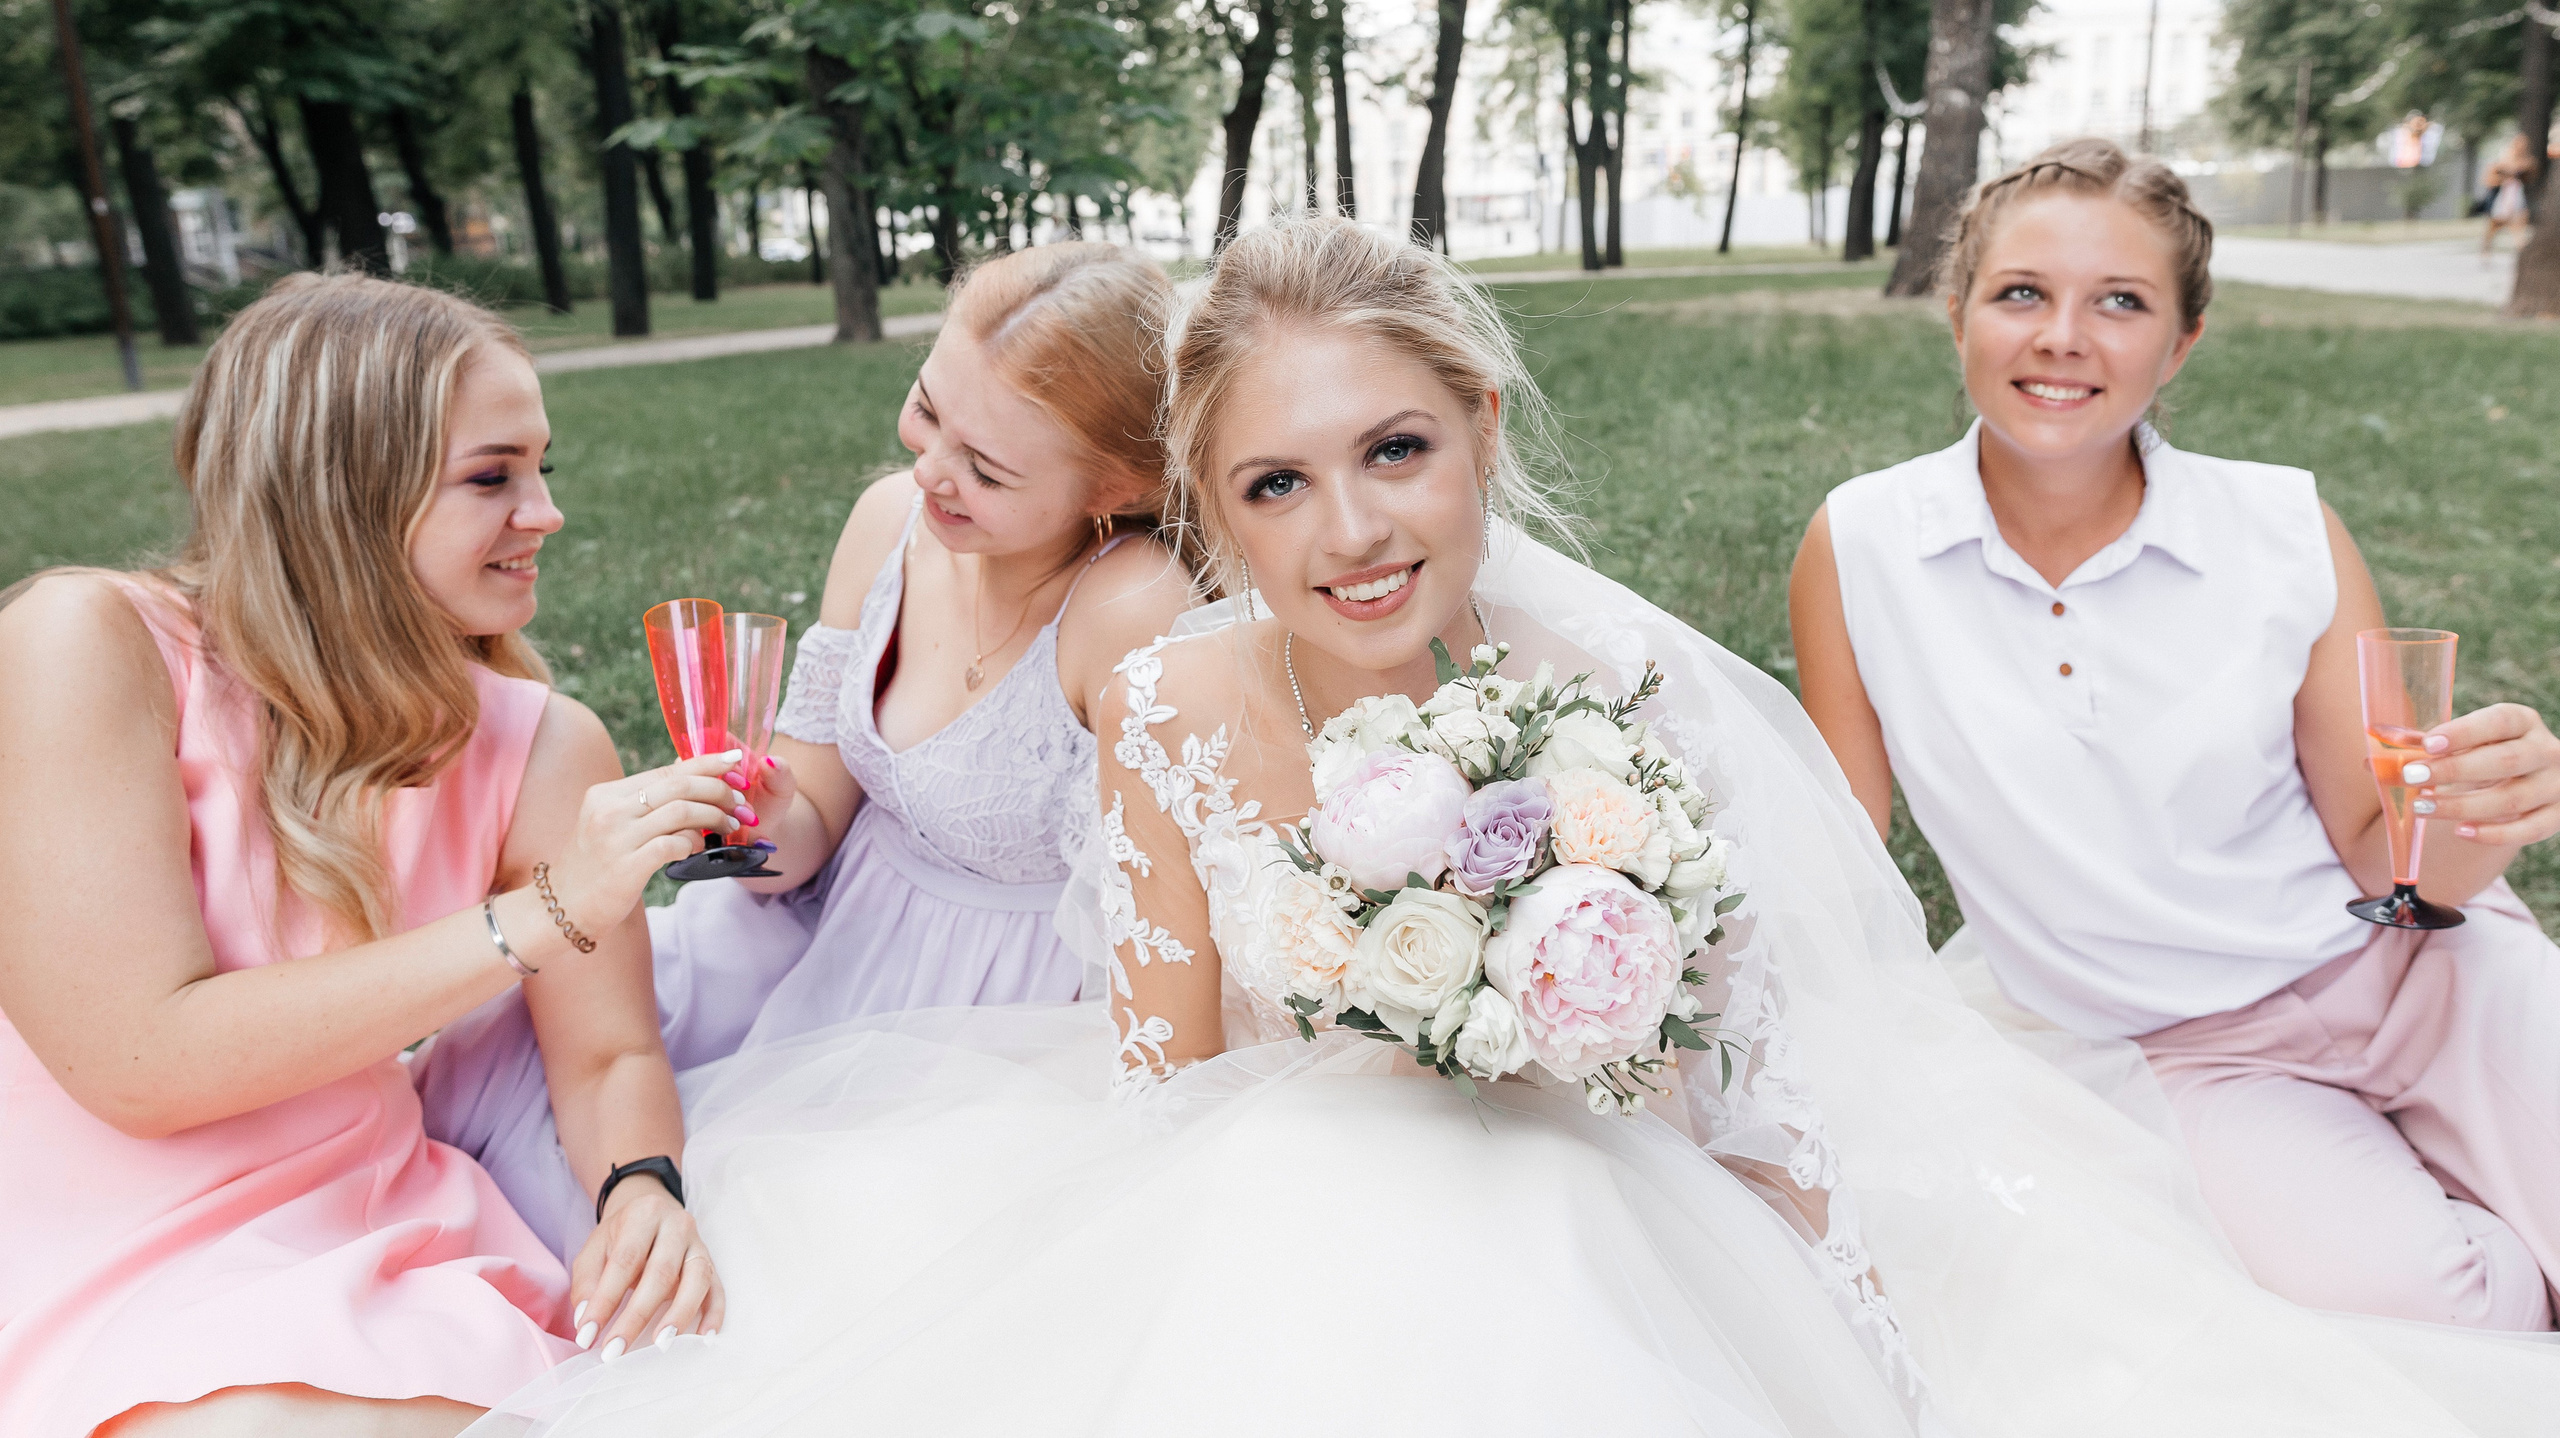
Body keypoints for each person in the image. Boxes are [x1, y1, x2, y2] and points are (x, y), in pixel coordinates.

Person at [466, 219, 2558, 1438]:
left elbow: (1743, 1071)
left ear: (1477, 423)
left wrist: (1751, 1233)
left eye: (1391, 449)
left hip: (1603, 1169)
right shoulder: (1175, 697)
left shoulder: (1606, 691)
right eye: (1270, 487)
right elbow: (1161, 1072)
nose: (1350, 530)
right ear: (1200, 505)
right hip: (1266, 1178)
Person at [1791, 139, 2560, 1336]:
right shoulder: (1861, 545)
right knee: (2432, 1316)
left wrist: (2477, 812)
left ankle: (2470, 1159)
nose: (2063, 337)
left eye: (2120, 303)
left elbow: (2383, 854)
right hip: (2196, 1055)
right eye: (2020, 294)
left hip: (2421, 974)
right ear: (1957, 313)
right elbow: (1835, 858)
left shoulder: (2283, 526)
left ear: (2180, 340)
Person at [0, 274, 734, 1438]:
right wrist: (533, 915)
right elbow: (133, 1063)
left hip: (357, 1217)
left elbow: (606, 1055)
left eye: (544, 468)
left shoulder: (539, 746)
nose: (544, 512)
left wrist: (641, 1183)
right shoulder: (87, 646)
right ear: (340, 496)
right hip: (87, 1227)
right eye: (492, 476)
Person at [415, 242, 1195, 1257]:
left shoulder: (1133, 610)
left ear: (1114, 483)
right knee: (504, 1068)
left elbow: (1165, 931)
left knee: (763, 1223)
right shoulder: (889, 521)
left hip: (999, 1015)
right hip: (827, 934)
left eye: (985, 466)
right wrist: (756, 819)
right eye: (927, 410)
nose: (929, 470)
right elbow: (814, 814)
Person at [2482, 133, 2534, 255]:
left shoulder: (2526, 161)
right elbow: (2490, 178)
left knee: (2518, 226)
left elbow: (2529, 170)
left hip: (2517, 196)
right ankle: (2486, 251)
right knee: (2493, 228)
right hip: (2502, 197)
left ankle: (2522, 250)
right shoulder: (2502, 160)